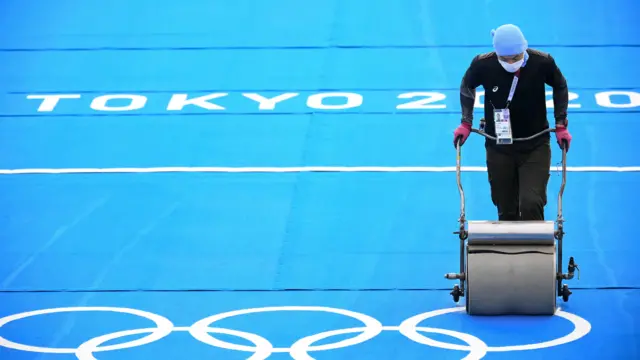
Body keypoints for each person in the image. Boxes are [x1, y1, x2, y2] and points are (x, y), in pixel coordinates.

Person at [453, 24, 573, 221]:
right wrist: (466, 123)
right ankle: (509, 252)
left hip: (535, 145)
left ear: (524, 49)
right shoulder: (483, 64)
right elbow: (467, 85)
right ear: (496, 53)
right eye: (505, 59)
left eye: (516, 58)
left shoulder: (542, 62)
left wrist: (560, 124)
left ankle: (534, 251)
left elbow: (560, 85)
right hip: (498, 146)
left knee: (531, 203)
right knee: (505, 208)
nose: (511, 62)